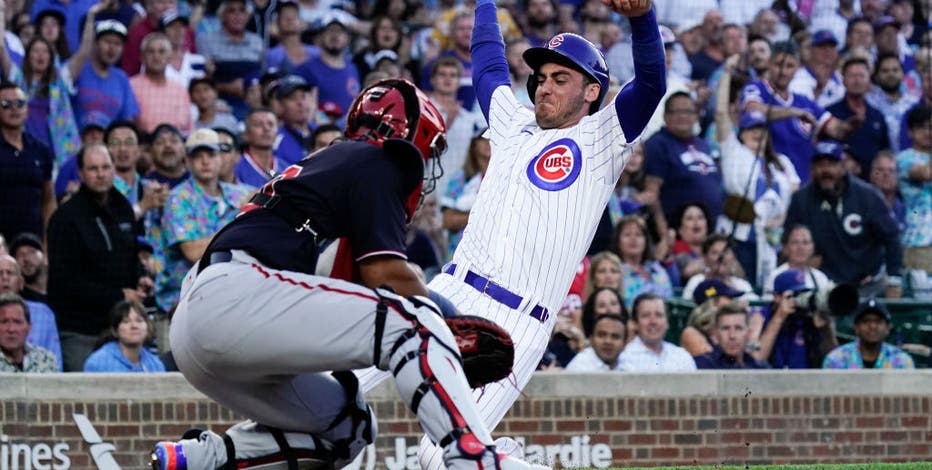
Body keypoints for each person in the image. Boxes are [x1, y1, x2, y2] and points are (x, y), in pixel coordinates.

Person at [149, 79, 549, 470]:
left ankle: (201, 459)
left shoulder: (334, 167)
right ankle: (474, 457)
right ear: (411, 136)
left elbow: (362, 283)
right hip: (235, 294)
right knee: (415, 321)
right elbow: (387, 275)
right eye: (426, 152)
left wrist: (442, 323)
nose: (424, 168)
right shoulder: (376, 159)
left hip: (206, 322)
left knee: (348, 425)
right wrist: (444, 324)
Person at [357, 0, 665, 467]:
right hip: (448, 290)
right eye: (541, 78)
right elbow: (486, 64)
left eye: (561, 79)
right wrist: (484, 4)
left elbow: (650, 83)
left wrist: (642, 20)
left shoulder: (604, 138)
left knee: (439, 458)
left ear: (591, 91)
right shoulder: (512, 122)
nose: (543, 87)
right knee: (340, 374)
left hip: (515, 321)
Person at [47, 143, 150, 371]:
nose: (101, 174)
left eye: (106, 167)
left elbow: (132, 255)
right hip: (80, 330)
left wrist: (141, 277)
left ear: (114, 168)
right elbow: (64, 281)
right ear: (81, 173)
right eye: (93, 169)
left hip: (120, 327)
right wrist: (118, 294)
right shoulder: (66, 218)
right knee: (84, 396)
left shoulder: (123, 207)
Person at [715, 55, 799, 287]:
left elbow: (794, 191)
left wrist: (782, 217)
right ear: (741, 132)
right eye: (751, 128)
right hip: (741, 236)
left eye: (761, 128)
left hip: (773, 239)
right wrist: (726, 75)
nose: (757, 133)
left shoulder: (781, 163)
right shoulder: (734, 150)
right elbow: (721, 115)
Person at [784, 140, 903, 298]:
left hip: (868, 285)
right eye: (820, 165)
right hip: (823, 287)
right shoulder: (801, 200)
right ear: (812, 169)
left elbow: (892, 237)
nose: (825, 170)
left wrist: (894, 279)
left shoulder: (867, 196)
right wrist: (804, 259)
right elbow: (788, 238)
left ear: (843, 166)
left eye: (831, 164)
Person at [156, 129, 253, 312]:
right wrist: (241, 218)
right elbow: (192, 252)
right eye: (197, 156)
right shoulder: (179, 198)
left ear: (221, 158)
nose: (205, 161)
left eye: (211, 154)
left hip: (232, 294)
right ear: (187, 161)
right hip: (185, 300)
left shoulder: (240, 193)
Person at [0, 83, 56, 244]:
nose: (14, 109)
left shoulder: (41, 150)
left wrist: (48, 243)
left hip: (34, 244)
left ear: (27, 109)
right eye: (6, 104)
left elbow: (49, 201)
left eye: (19, 103)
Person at [756, 269, 839, 369]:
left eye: (802, 293)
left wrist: (825, 329)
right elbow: (758, 358)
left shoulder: (808, 315)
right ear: (776, 297)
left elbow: (834, 361)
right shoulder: (761, 316)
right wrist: (779, 317)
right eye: (794, 295)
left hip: (805, 380)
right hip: (769, 380)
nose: (798, 298)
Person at [822, 298, 915, 369]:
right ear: (856, 327)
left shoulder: (901, 361)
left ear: (888, 328)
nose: (872, 326)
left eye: (878, 321)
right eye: (866, 321)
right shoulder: (836, 359)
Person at [130, 32, 193, 134]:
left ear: (169, 58)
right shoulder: (131, 86)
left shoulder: (180, 90)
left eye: (161, 52)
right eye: (151, 52)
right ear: (142, 57)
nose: (156, 56)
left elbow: (188, 128)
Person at [894, 104, 932, 273]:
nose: (927, 132)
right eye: (921, 127)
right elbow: (926, 173)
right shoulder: (903, 159)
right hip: (918, 239)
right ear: (910, 131)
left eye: (931, 127)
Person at [617, 292, 696, 372]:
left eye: (659, 315)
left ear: (667, 323)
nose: (653, 321)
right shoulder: (624, 358)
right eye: (646, 315)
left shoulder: (682, 356)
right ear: (635, 323)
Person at [610, 214, 673, 310]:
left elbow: (670, 300)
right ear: (618, 241)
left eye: (638, 234)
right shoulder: (613, 271)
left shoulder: (657, 269)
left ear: (646, 241)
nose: (633, 239)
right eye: (627, 235)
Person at [83, 299, 165, 372]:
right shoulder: (98, 363)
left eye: (139, 321)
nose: (134, 326)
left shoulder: (156, 365)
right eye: (126, 321)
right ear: (115, 330)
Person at [762, 224, 833, 299]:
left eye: (805, 242)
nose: (800, 247)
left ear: (812, 248)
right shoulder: (775, 276)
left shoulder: (820, 277)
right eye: (795, 242)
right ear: (785, 248)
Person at [693, 302, 769, 369]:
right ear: (716, 334)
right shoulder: (701, 366)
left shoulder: (760, 367)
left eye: (738, 328)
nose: (732, 336)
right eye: (725, 328)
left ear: (748, 332)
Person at [0, 292, 59, 373]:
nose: (11, 329)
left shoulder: (46, 359)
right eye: (4, 322)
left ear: (29, 327)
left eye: (17, 322)